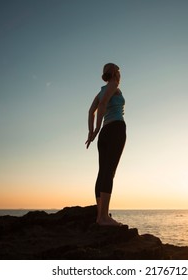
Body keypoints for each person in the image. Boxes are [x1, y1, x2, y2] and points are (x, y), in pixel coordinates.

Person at [85, 63, 126, 226]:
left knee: (102, 172)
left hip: (104, 134)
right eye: (118, 71)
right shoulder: (113, 85)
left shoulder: (101, 91)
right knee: (109, 172)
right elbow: (101, 106)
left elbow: (90, 111)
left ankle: (99, 216)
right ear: (115, 73)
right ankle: (104, 217)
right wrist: (95, 129)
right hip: (115, 129)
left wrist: (92, 132)